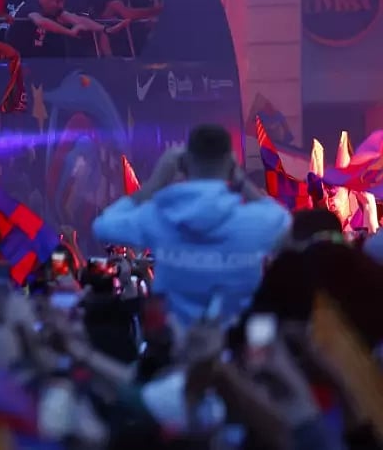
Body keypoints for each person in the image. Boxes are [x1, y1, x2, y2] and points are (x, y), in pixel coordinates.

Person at [92, 124, 291, 331]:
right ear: (231, 163)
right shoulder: (253, 220)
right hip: (239, 347)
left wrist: (154, 184)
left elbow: (103, 226)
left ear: (184, 163)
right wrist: (241, 182)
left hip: (179, 349)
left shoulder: (159, 217)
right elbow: (285, 222)